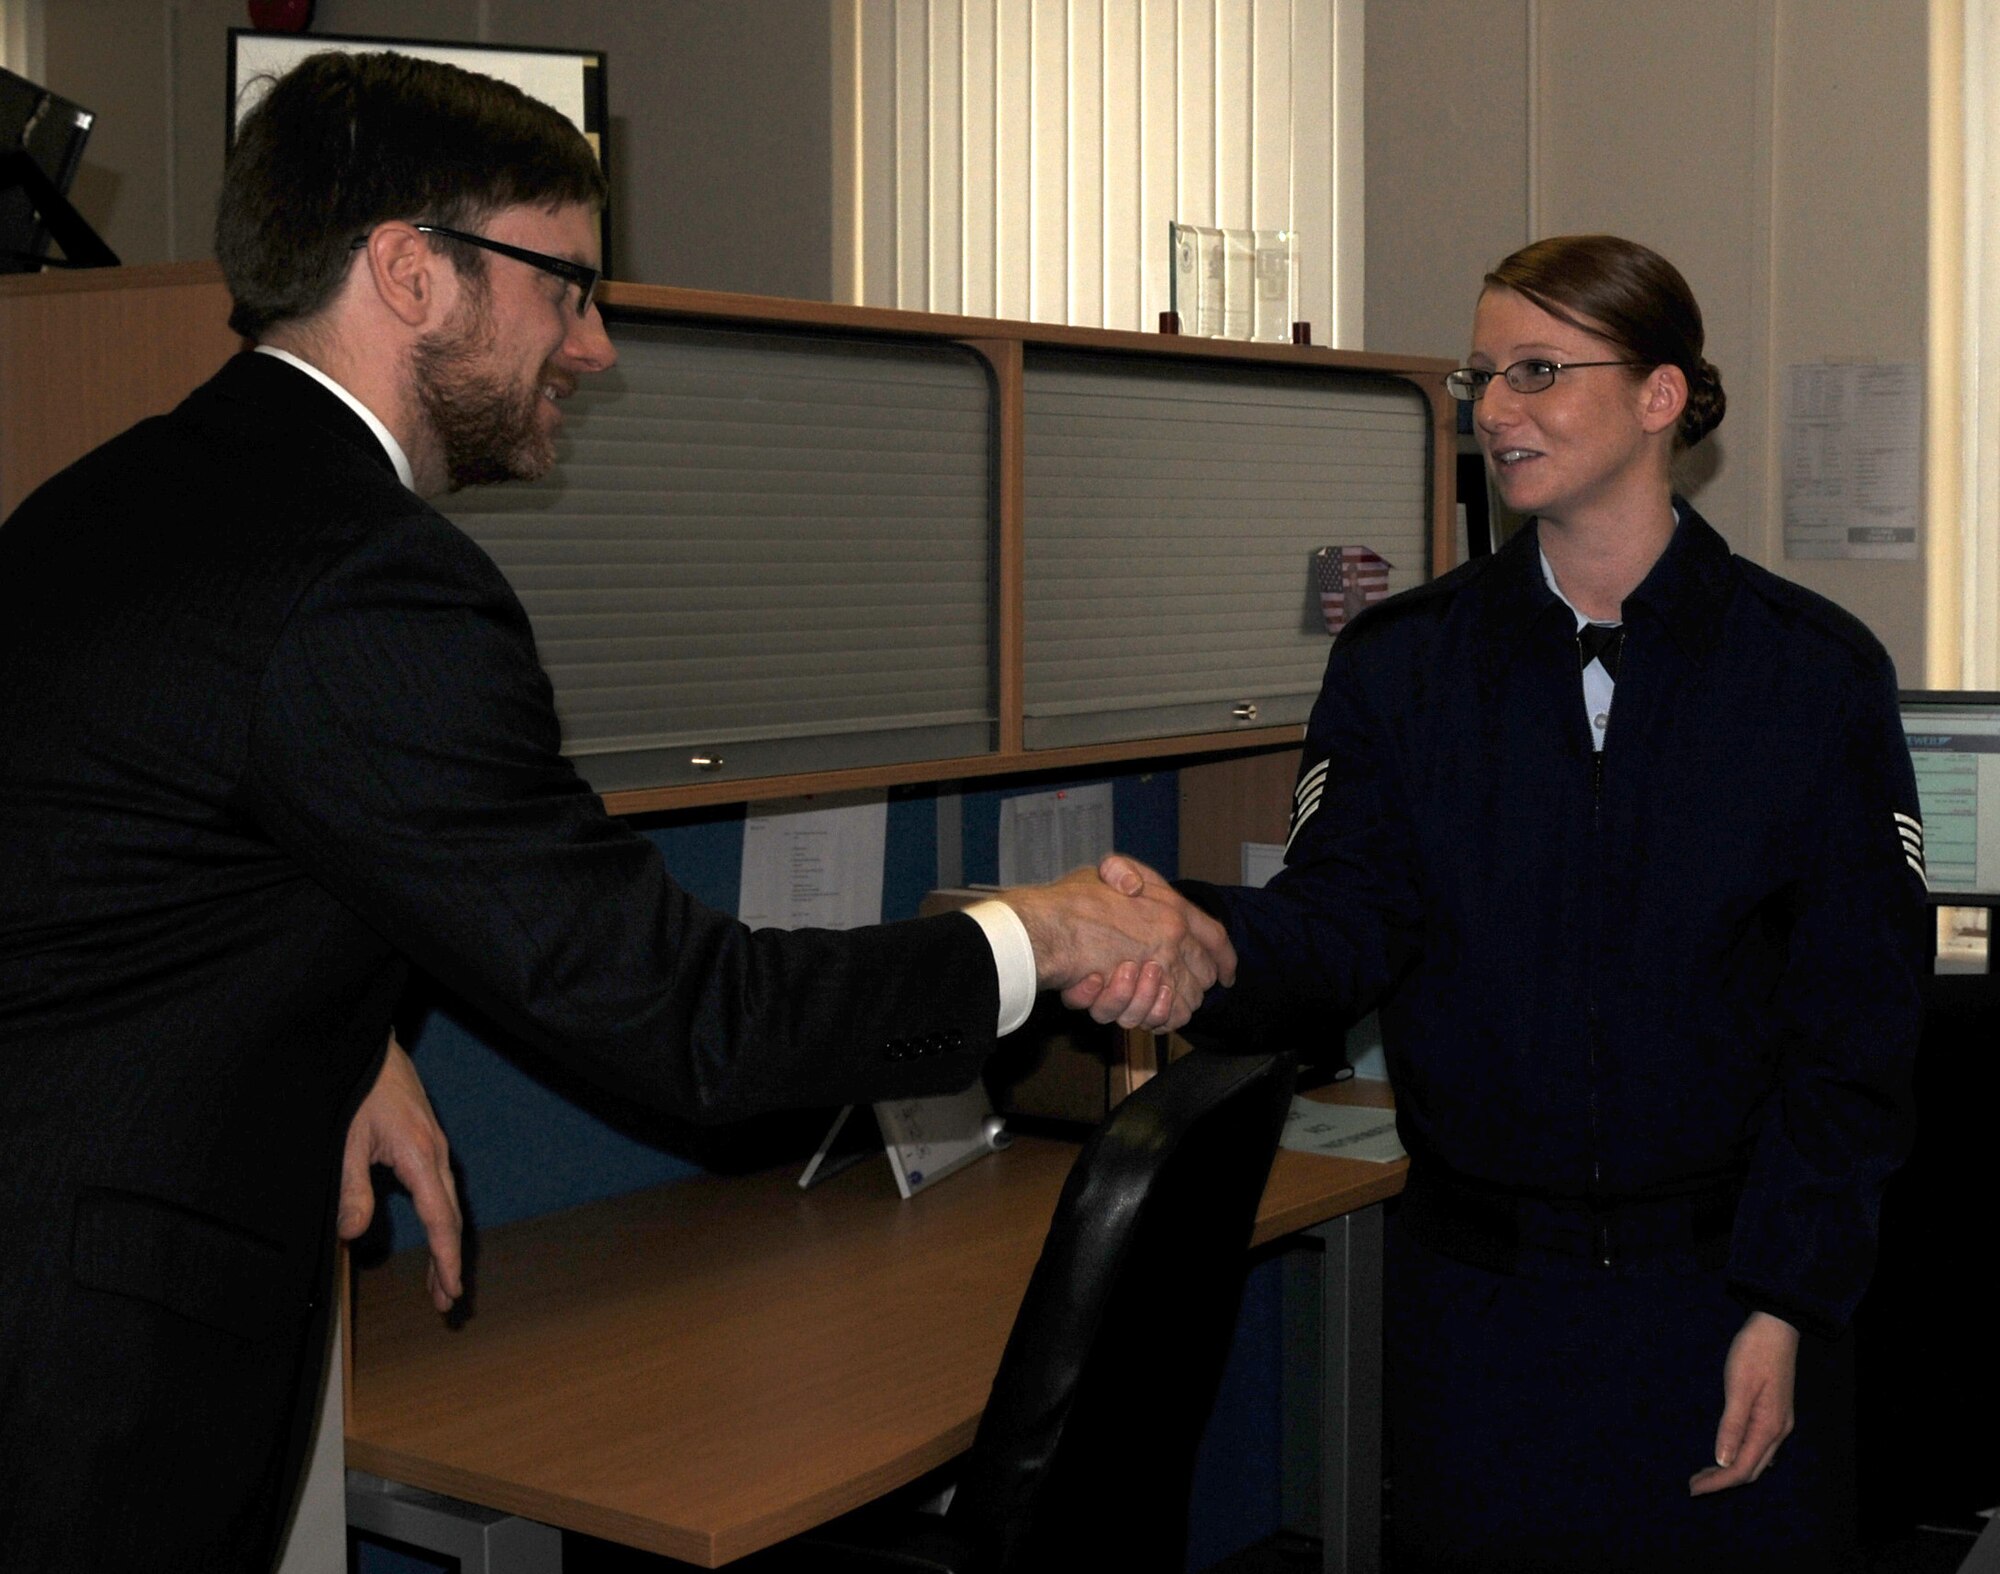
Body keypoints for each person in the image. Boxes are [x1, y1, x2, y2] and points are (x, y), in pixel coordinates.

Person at [0, 51, 1231, 1574]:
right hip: (85, 1409)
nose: (594, 345)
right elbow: (697, 1022)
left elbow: (121, 857)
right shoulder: (370, 583)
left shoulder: (113, 500)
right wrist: (1034, 931)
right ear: (410, 273)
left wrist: (326, 1022)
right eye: (565, 285)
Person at [1149, 234, 1925, 1571]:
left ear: (1661, 395)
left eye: (1537, 371)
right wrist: (1202, 941)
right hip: (1482, 1308)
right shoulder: (1407, 670)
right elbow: (1342, 923)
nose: (1495, 410)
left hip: (1728, 1292)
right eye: (1482, 378)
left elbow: (1855, 1027)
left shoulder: (1810, 676)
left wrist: (1788, 1300)